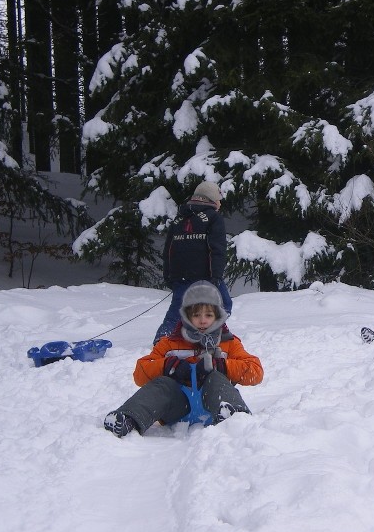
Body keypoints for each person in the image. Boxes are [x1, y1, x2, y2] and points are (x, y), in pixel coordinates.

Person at [105, 280, 263, 437]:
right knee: (163, 384)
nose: (202, 320)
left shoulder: (229, 342)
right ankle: (129, 418)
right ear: (187, 316)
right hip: (178, 407)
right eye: (196, 315)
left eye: (208, 315)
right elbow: (139, 374)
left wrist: (222, 366)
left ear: (217, 316)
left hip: (214, 404)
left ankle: (234, 419)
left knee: (216, 378)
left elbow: (256, 372)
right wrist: (167, 366)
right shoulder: (170, 343)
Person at [153, 180, 232, 344]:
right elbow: (217, 249)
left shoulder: (179, 218)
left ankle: (163, 339)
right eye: (218, 199)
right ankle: (213, 332)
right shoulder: (214, 218)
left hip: (180, 275)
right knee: (223, 303)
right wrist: (216, 275)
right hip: (206, 274)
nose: (220, 203)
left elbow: (168, 249)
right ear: (210, 199)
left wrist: (168, 275)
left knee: (178, 309)